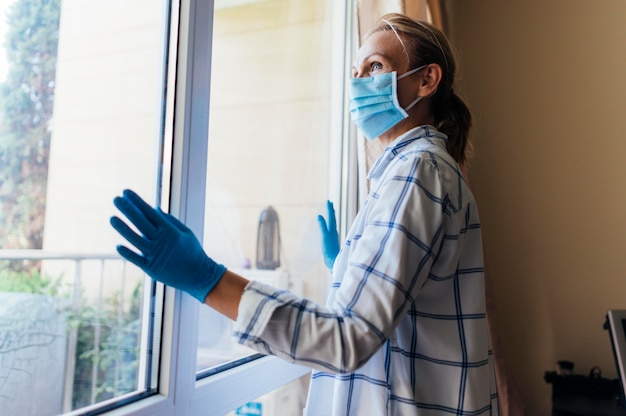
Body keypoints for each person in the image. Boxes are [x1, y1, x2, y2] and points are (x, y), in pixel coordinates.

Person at [110, 13, 499, 415]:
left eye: (376, 67)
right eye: (355, 70)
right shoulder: (424, 171)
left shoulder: (418, 173)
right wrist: (345, 269)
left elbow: (347, 340)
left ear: (426, 79)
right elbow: (407, 312)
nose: (358, 81)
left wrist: (208, 279)